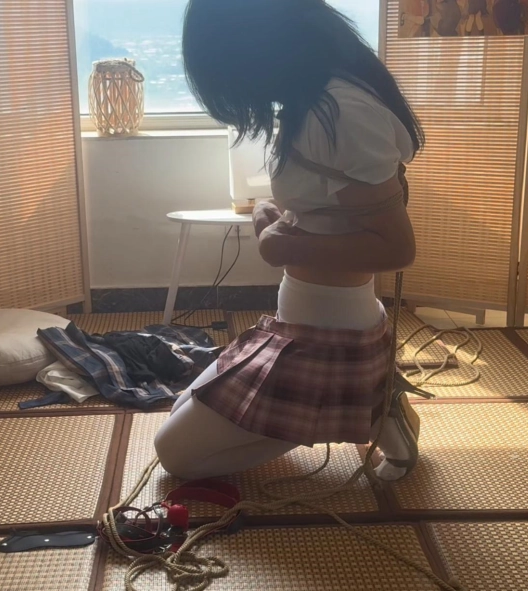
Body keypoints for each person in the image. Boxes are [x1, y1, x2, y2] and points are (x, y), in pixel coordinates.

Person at [154, 0, 425, 483]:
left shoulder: (339, 112)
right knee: (181, 410)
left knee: (175, 456)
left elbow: (396, 248)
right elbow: (330, 208)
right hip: (300, 320)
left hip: (330, 337)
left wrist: (280, 247)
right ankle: (363, 405)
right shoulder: (319, 96)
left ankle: (353, 410)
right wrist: (270, 217)